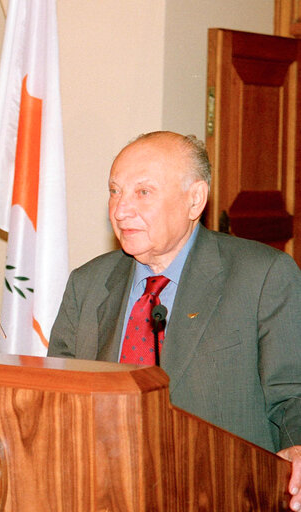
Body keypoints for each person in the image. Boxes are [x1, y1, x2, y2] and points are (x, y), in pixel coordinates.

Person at [47, 131, 301, 509]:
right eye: (115, 191)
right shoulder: (88, 283)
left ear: (194, 199)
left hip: (223, 493)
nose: (120, 209)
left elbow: (292, 393)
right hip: (102, 493)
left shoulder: (262, 275)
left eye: (142, 192)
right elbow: (56, 395)